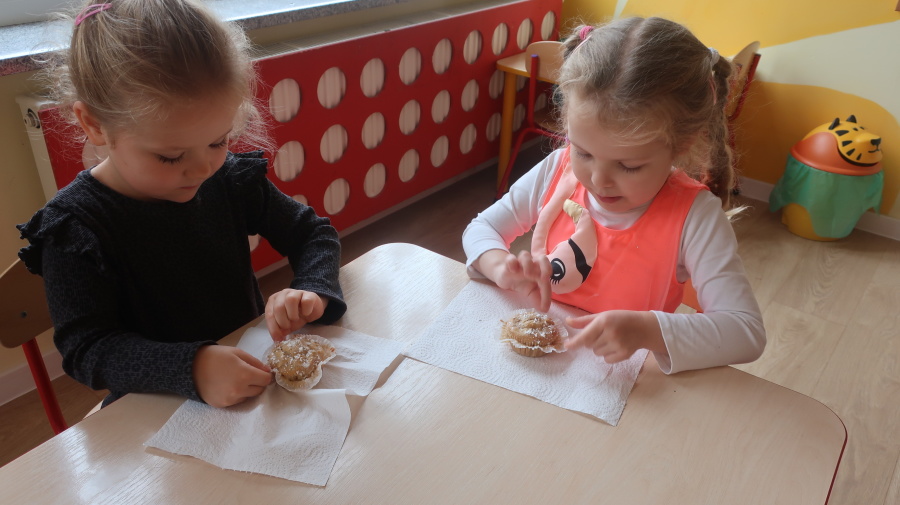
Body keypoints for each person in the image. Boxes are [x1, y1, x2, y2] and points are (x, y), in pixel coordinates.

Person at [17, 0, 346, 408]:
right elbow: (88, 349)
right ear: (94, 124)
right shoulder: (74, 230)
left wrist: (312, 289)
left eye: (218, 141)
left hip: (249, 383)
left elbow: (312, 233)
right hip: (156, 405)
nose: (203, 168)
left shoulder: (228, 179)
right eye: (170, 157)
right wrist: (191, 366)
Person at [463, 17, 765, 373]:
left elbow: (746, 332)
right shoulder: (558, 170)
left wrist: (648, 330)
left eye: (628, 165)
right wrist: (500, 266)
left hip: (622, 381)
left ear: (682, 145)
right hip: (541, 369)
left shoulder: (695, 217)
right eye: (583, 152)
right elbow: (481, 229)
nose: (598, 180)